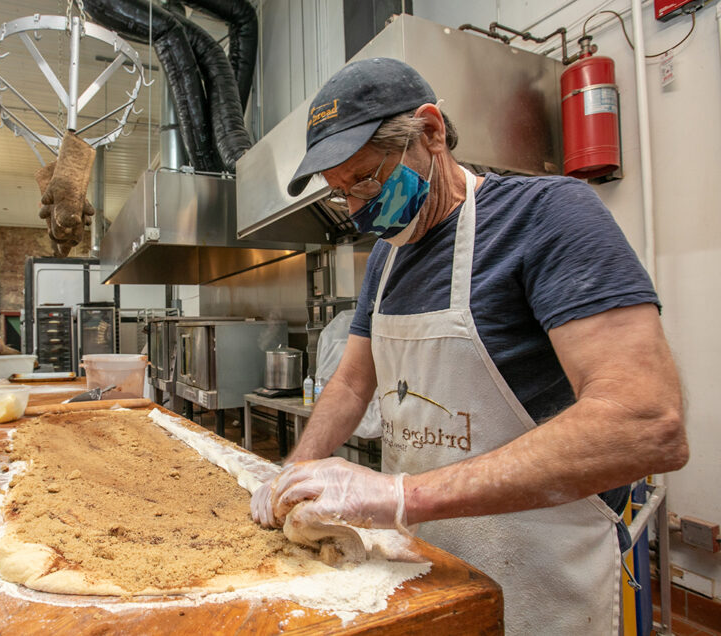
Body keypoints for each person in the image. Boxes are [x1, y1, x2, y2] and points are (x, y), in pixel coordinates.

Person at [250, 58, 688, 635]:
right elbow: (355, 381)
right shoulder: (387, 257)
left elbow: (646, 423)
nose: (357, 212)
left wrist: (401, 495)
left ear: (431, 132)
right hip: (422, 569)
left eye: (365, 180)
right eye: (340, 195)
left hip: (540, 575)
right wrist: (298, 469)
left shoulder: (549, 216)